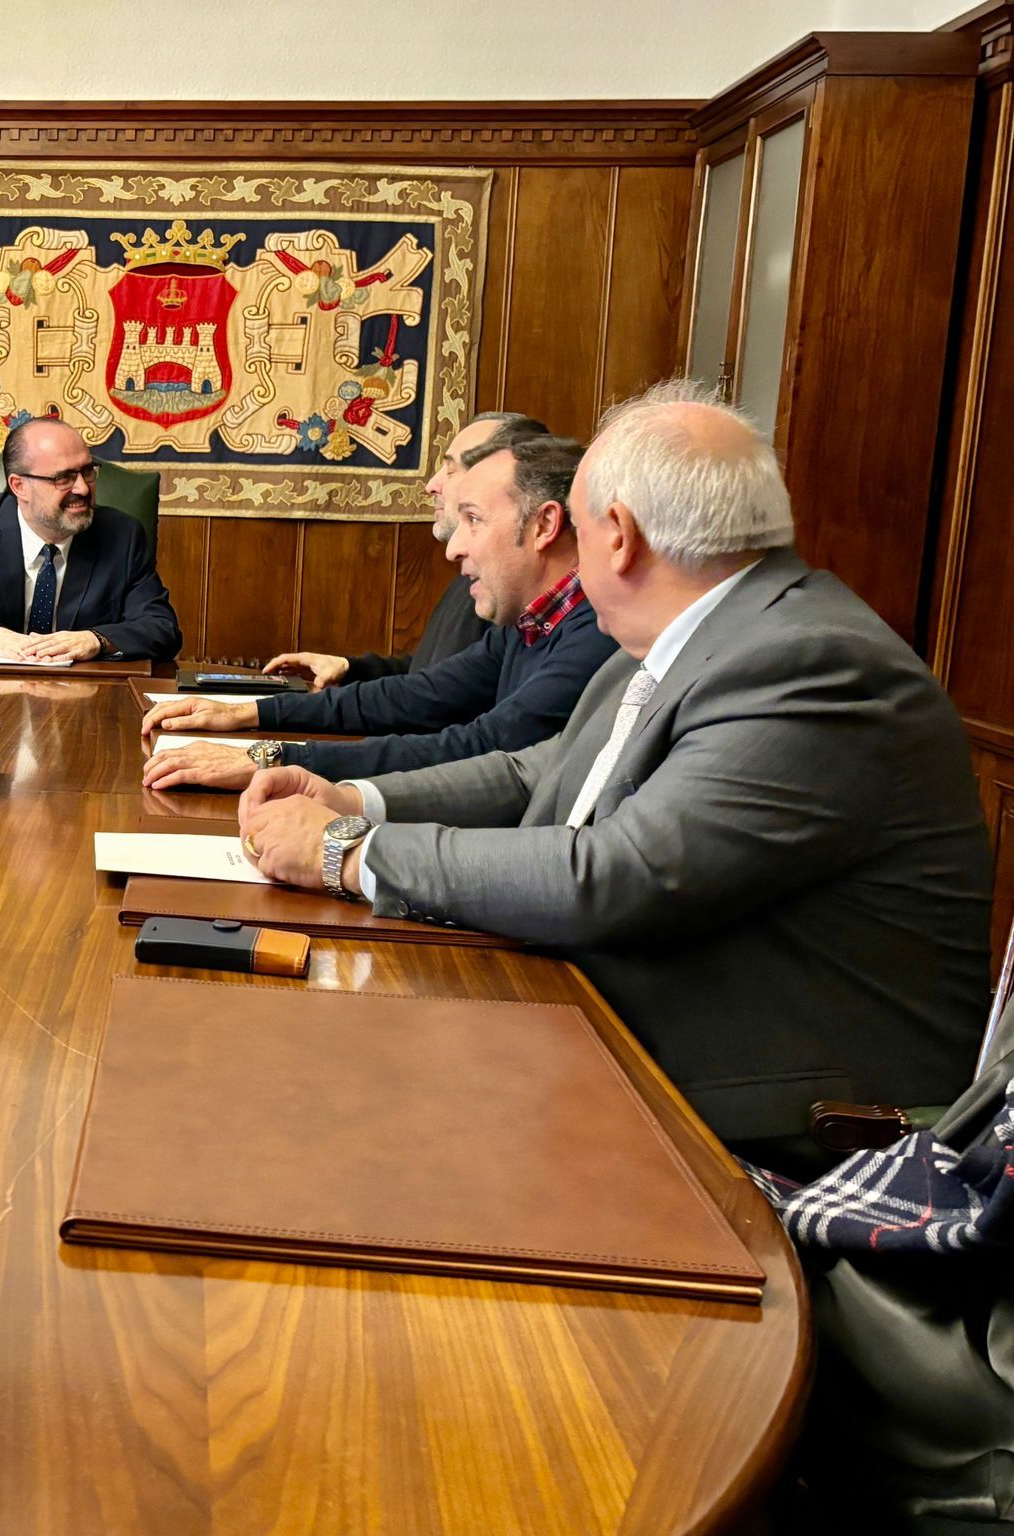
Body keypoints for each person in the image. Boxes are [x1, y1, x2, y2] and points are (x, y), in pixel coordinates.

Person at [235, 381, 990, 1152]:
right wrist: (352, 797)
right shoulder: (687, 633)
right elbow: (540, 772)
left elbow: (616, 875)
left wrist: (348, 854)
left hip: (778, 1130)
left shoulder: (810, 664)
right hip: (604, 1042)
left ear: (619, 535)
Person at [142, 434, 617, 791]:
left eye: (473, 519)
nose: (454, 548)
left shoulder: (599, 633)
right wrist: (249, 713)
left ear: (546, 525)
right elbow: (417, 696)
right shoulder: (532, 619)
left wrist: (271, 758)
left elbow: (479, 748)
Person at [260, 410, 548, 691]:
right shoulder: (472, 575)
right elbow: (431, 677)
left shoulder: (509, 588)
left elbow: (448, 705)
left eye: (450, 469)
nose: (431, 485)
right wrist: (351, 669)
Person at [0, 417, 181, 662]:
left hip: (87, 695)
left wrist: (95, 639)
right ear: (19, 486)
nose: (83, 488)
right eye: (64, 478)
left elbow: (161, 628)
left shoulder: (123, 535)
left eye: (87, 471)